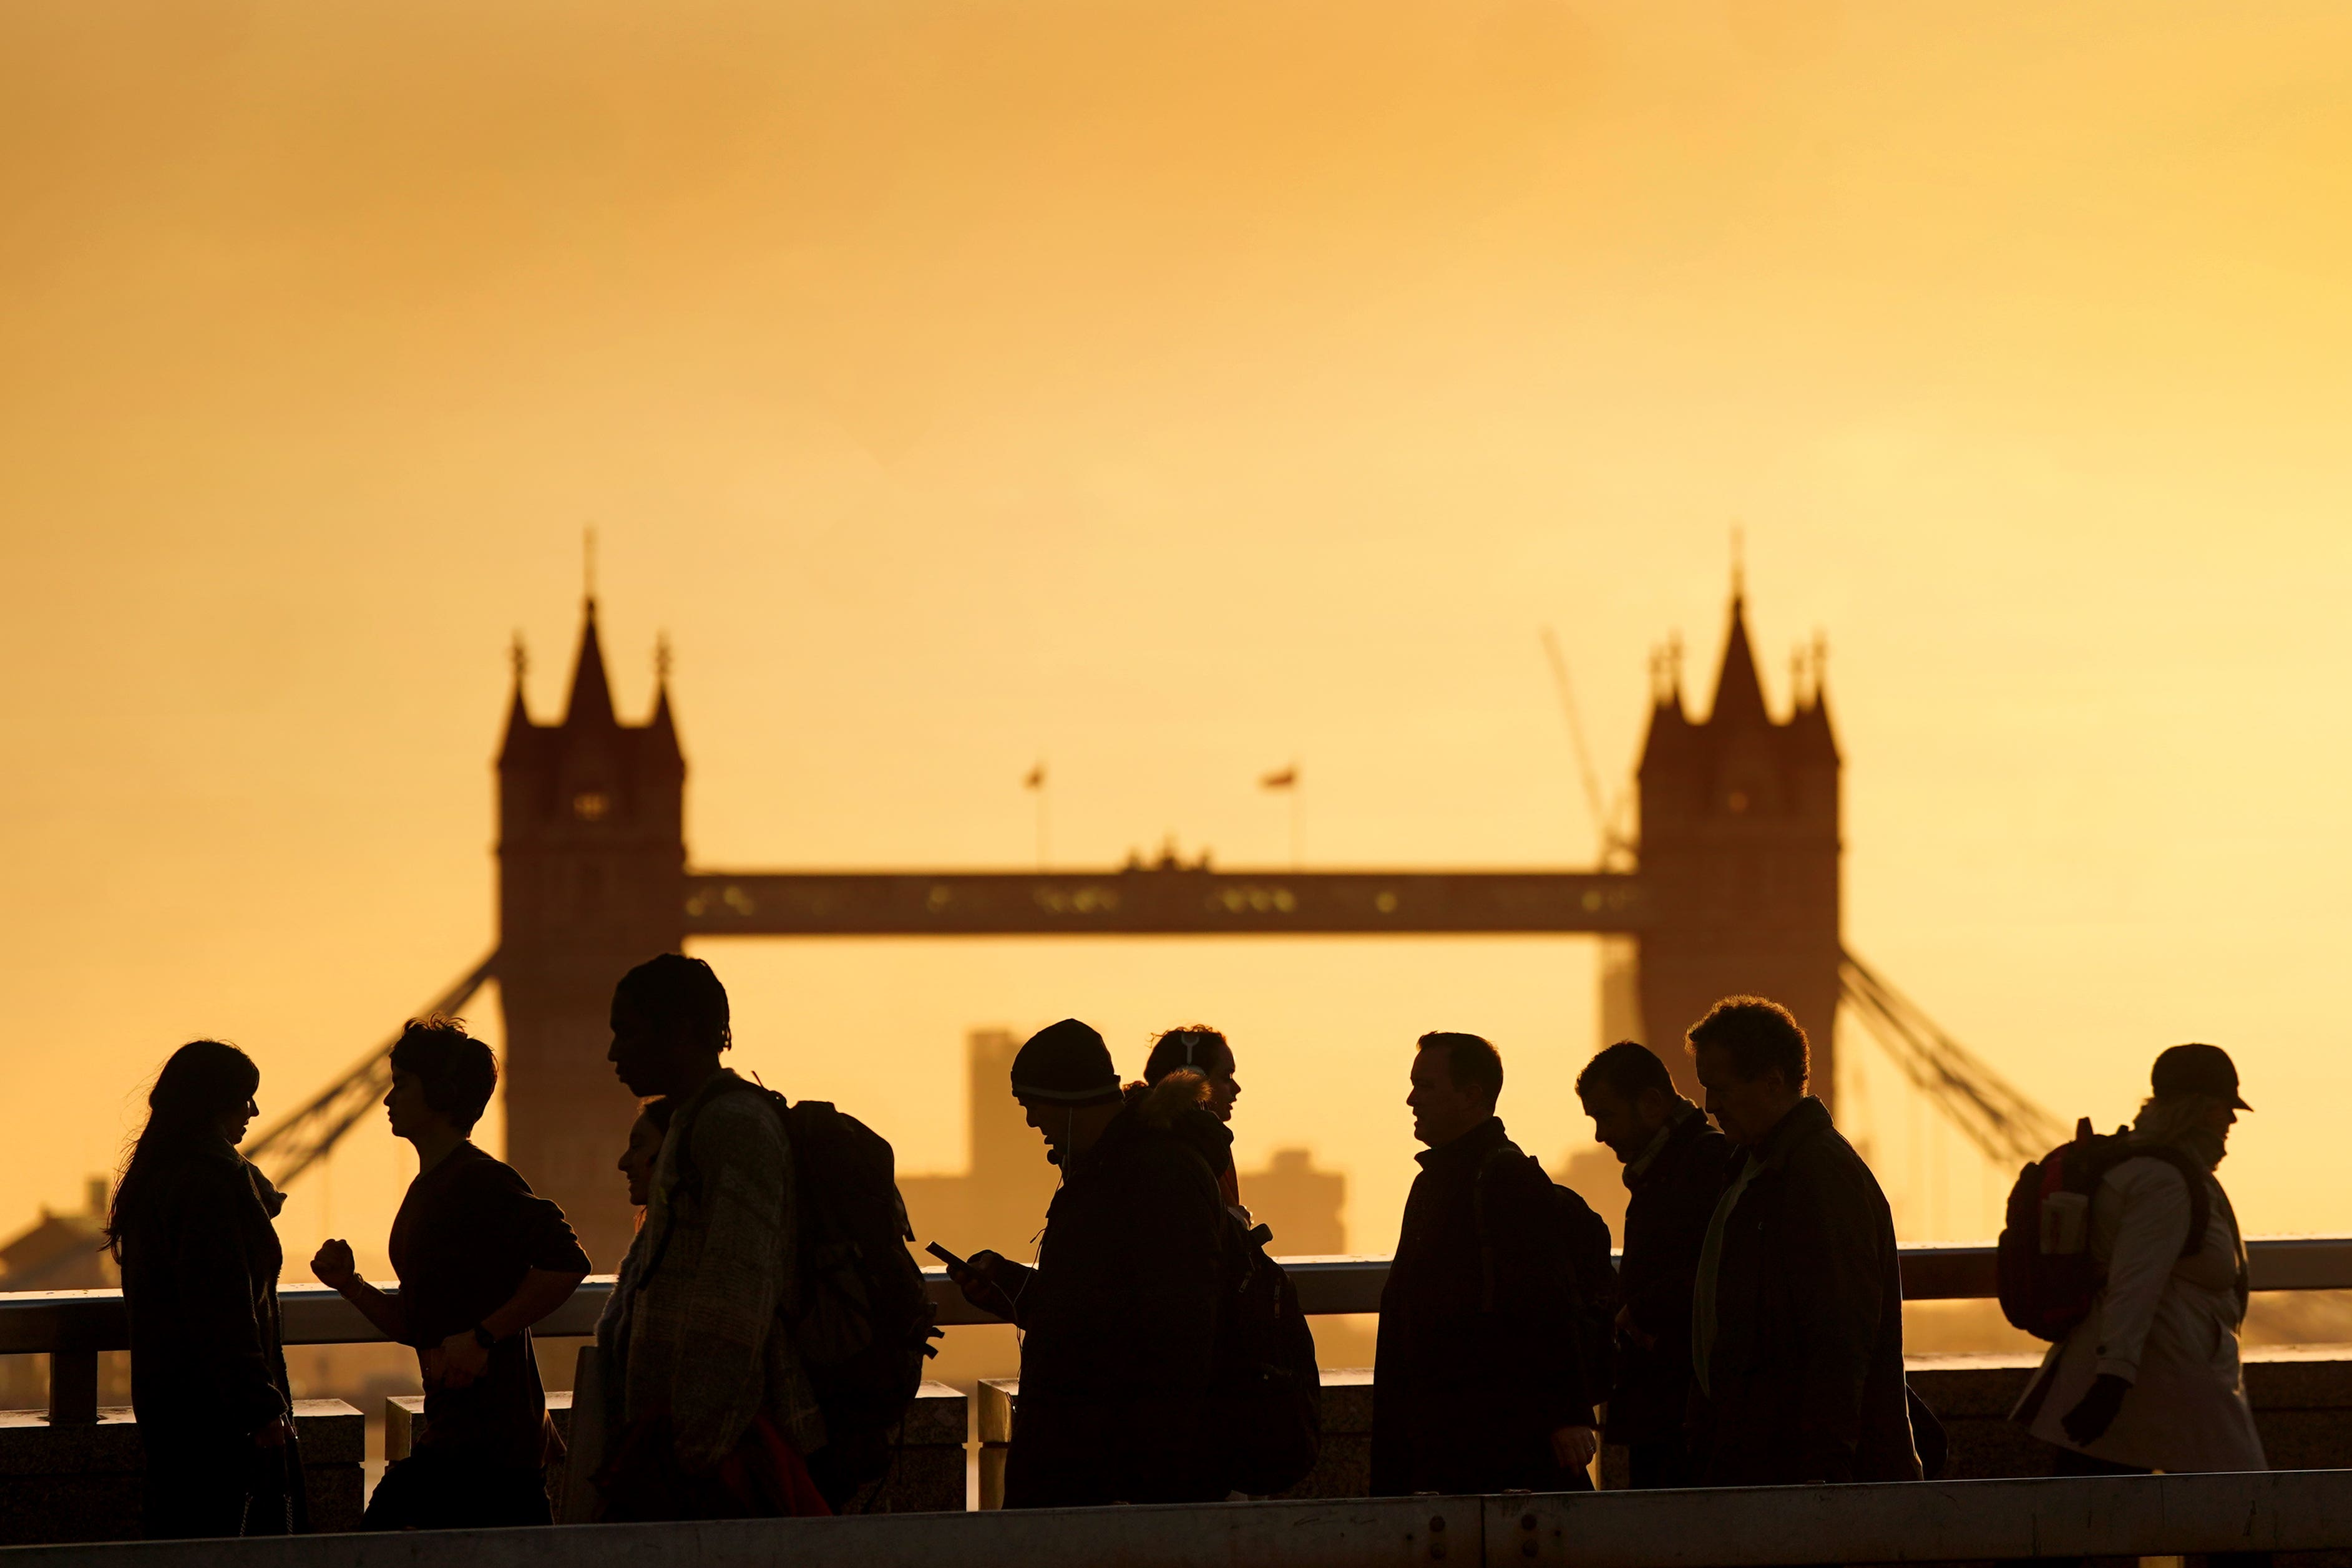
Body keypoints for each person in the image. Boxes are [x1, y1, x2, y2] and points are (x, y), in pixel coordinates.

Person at [311, 1018, 590, 1529]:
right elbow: (416, 1326)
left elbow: (569, 1262)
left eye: (402, 1083)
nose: (388, 1099)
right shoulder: (431, 1187)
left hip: (486, 1442)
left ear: (441, 1092)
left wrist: (482, 1336)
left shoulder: (482, 1181)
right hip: (467, 1437)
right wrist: (349, 1284)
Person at [945, 1018, 1230, 1507]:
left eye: (1032, 1104)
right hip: (1077, 1466)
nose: (1033, 1121)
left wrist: (1140, 1485)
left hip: (1109, 1477)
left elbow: (1176, 1337)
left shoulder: (1158, 1174)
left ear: (1067, 1098)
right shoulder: (1104, 1169)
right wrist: (1010, 1287)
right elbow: (1088, 1312)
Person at [589, 953, 832, 1521]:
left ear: (679, 1031)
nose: (613, 1053)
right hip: (676, 1445)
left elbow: (737, 1295)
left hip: (717, 1460)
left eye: (626, 1031)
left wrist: (694, 1448)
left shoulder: (734, 1127)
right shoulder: (692, 1122)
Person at [1686, 996, 1921, 1486]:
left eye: (1720, 1089)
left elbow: (1840, 1329)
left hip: (1798, 1465)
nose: (1709, 1106)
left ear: (1771, 1083)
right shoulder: (1759, 1168)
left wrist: (1826, 1465)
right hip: (1763, 1452)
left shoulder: (1818, 1174)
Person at [1370, 1031, 1607, 1496]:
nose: (1410, 1098)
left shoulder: (1504, 1179)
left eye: (1426, 1085)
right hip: (1445, 1435)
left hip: (1499, 1435)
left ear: (1472, 1094)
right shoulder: (1434, 1183)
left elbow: (1544, 1296)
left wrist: (1566, 1414)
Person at [2013, 1044, 2263, 1476]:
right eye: (2225, 1107)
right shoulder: (2162, 1181)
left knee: (2087, 1519)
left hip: (2151, 1378)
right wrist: (2111, 1381)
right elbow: (2134, 1283)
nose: (2232, 1120)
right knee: (2245, 1514)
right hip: (2157, 1383)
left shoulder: (2150, 1168)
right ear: (2200, 1109)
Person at [109, 1041, 306, 1539]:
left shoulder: (162, 1174)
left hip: (173, 1410)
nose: (255, 1112)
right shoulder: (209, 1185)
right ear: (212, 1102)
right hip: (218, 1418)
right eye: (245, 1097)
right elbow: (222, 1308)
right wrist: (260, 1408)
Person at [1577, 1039, 1734, 1489]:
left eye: (1604, 1116)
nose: (1599, 1135)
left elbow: (1718, 1267)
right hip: (1672, 1409)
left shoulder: (1702, 1162)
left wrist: (1642, 1310)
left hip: (1681, 1411)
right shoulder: (1677, 1164)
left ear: (1649, 1103)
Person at [1143, 1025, 1244, 1214]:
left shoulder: (1147, 1142)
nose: (1237, 1088)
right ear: (1192, 1079)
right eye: (1227, 1076)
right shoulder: (1178, 1162)